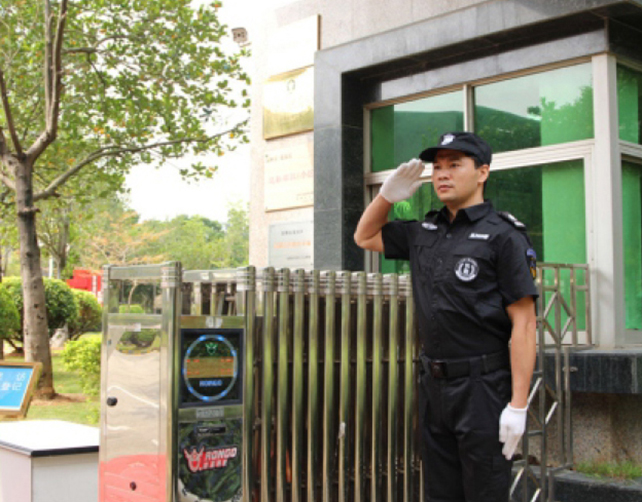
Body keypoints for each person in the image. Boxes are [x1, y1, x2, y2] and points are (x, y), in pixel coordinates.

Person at [354, 131, 538, 502]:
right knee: (440, 493)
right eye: (437, 167)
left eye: (455, 165)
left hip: (483, 388)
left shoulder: (504, 236)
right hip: (434, 385)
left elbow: (524, 323)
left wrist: (518, 405)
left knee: (484, 493)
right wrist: (386, 197)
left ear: (482, 172)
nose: (442, 174)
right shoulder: (425, 231)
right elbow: (364, 236)